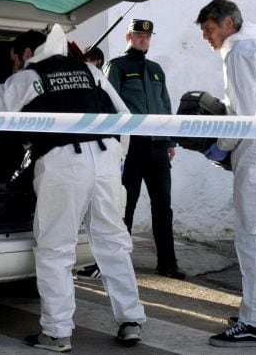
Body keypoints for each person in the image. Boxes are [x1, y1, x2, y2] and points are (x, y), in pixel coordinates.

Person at [0, 25, 146, 352]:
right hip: (106, 161)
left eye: (14, 61)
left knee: (55, 249)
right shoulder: (89, 71)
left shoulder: (29, 77)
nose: (14, 67)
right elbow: (124, 117)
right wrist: (114, 157)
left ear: (26, 53)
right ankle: (131, 321)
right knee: (112, 244)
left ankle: (57, 333)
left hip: (64, 164)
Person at [196, 0, 256, 347]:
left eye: (209, 30)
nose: (207, 38)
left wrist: (218, 148)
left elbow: (243, 114)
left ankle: (253, 322)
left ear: (227, 24)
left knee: (254, 239)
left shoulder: (239, 53)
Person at [78, 19, 185, 281]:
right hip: (132, 147)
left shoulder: (156, 70)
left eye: (146, 37)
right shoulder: (117, 66)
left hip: (158, 147)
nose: (143, 41)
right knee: (124, 206)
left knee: (163, 206)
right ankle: (114, 261)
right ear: (129, 37)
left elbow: (165, 105)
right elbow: (107, 102)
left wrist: (170, 141)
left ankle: (167, 262)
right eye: (138, 36)